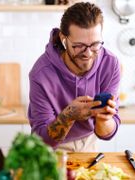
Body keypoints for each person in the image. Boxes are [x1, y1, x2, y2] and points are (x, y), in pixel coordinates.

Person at [28, 2, 121, 152]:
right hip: (54, 147)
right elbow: (41, 140)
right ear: (64, 39)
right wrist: (68, 116)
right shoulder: (41, 73)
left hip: (90, 143)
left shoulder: (110, 64)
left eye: (95, 44)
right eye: (79, 46)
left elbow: (107, 133)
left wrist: (104, 119)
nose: (88, 53)